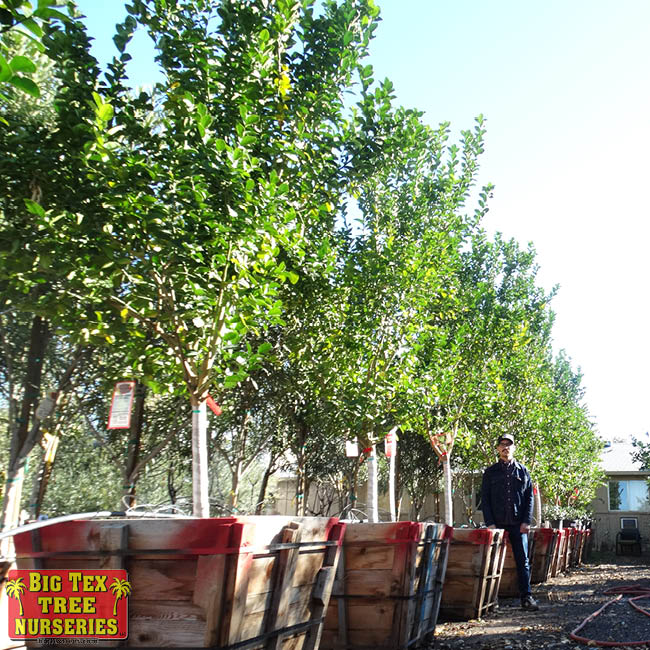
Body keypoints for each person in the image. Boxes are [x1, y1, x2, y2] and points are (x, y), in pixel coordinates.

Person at [480, 433, 539, 611]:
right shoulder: (490, 473)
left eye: (509, 445)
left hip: (517, 524)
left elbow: (530, 498)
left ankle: (526, 597)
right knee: (492, 561)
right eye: (502, 445)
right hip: (496, 525)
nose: (505, 448)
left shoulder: (523, 471)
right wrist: (489, 523)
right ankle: (490, 599)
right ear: (498, 448)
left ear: (514, 448)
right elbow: (485, 498)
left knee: (523, 560)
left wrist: (526, 521)